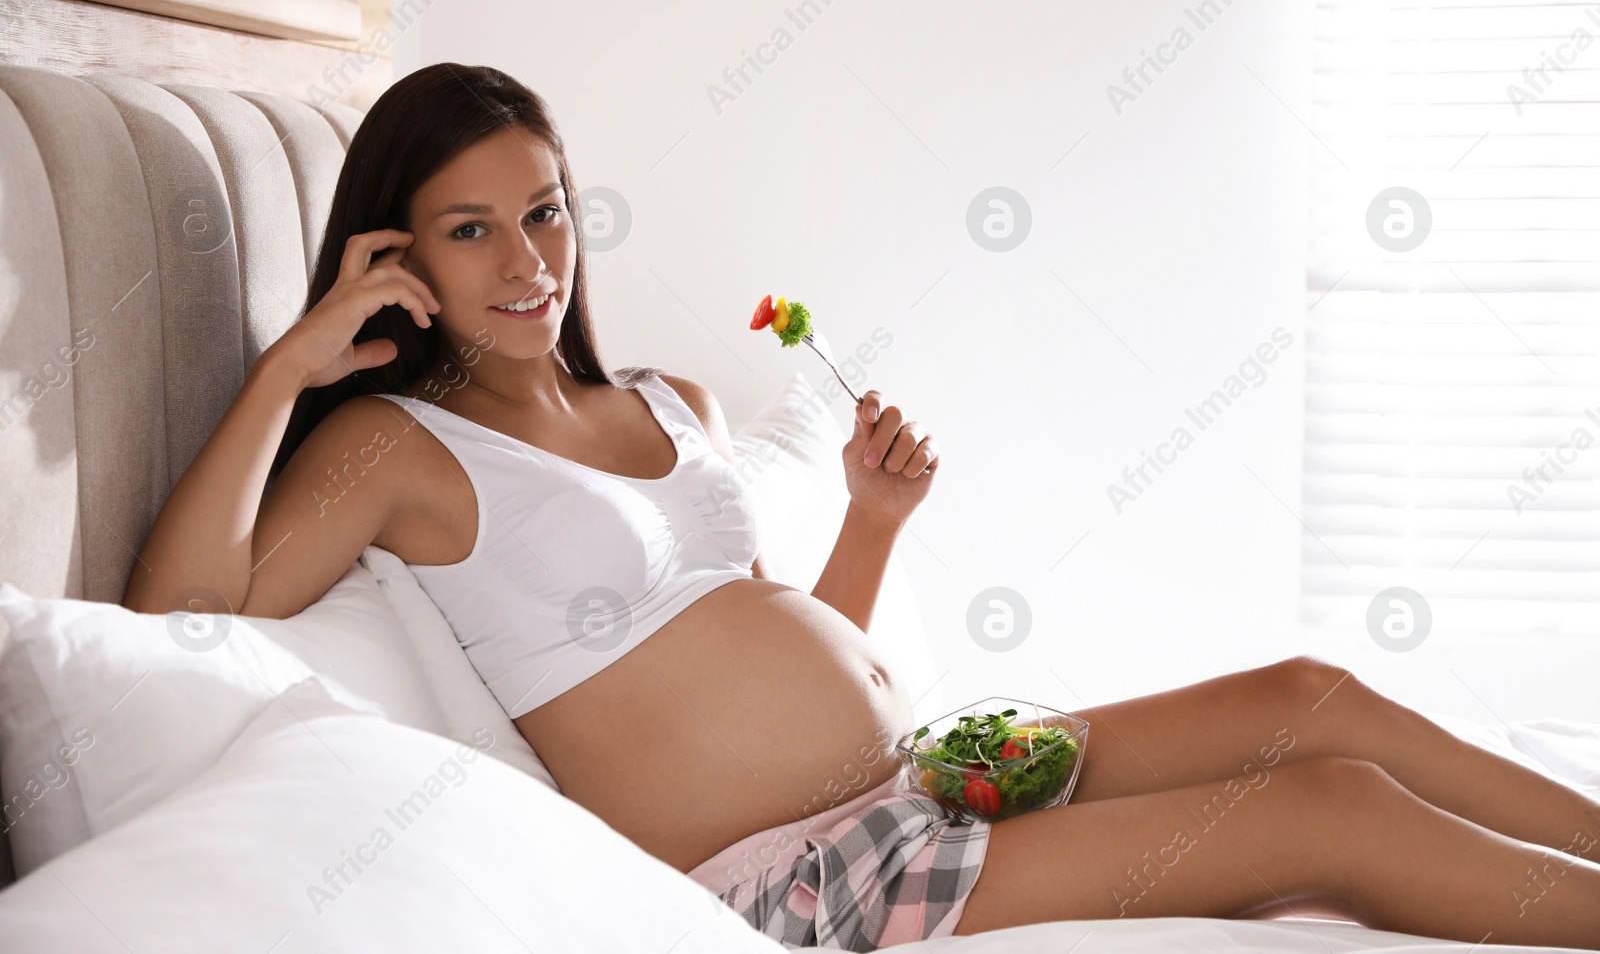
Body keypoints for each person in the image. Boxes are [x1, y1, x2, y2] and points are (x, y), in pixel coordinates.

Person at [123, 63, 1600, 951]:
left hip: (925, 778)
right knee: (1323, 811)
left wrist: (871, 529)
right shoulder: (399, 449)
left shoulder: (662, 401)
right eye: (471, 229)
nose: (529, 259)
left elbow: (786, 650)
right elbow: (174, 622)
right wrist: (296, 364)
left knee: (1312, 694)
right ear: (398, 255)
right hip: (809, 885)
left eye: (548, 207)